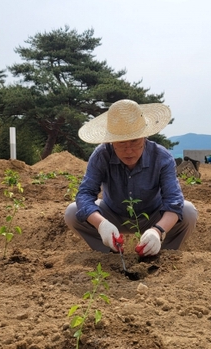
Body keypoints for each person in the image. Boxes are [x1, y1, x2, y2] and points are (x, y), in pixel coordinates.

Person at [64, 99, 198, 257]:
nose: (128, 151)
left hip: (152, 214)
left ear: (144, 136)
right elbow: (85, 193)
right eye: (121, 143)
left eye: (134, 141)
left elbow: (174, 201)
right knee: (72, 212)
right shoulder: (102, 155)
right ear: (111, 141)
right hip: (113, 213)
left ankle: (160, 254)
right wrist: (102, 224)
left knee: (188, 211)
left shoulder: (161, 157)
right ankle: (109, 253)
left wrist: (158, 231)